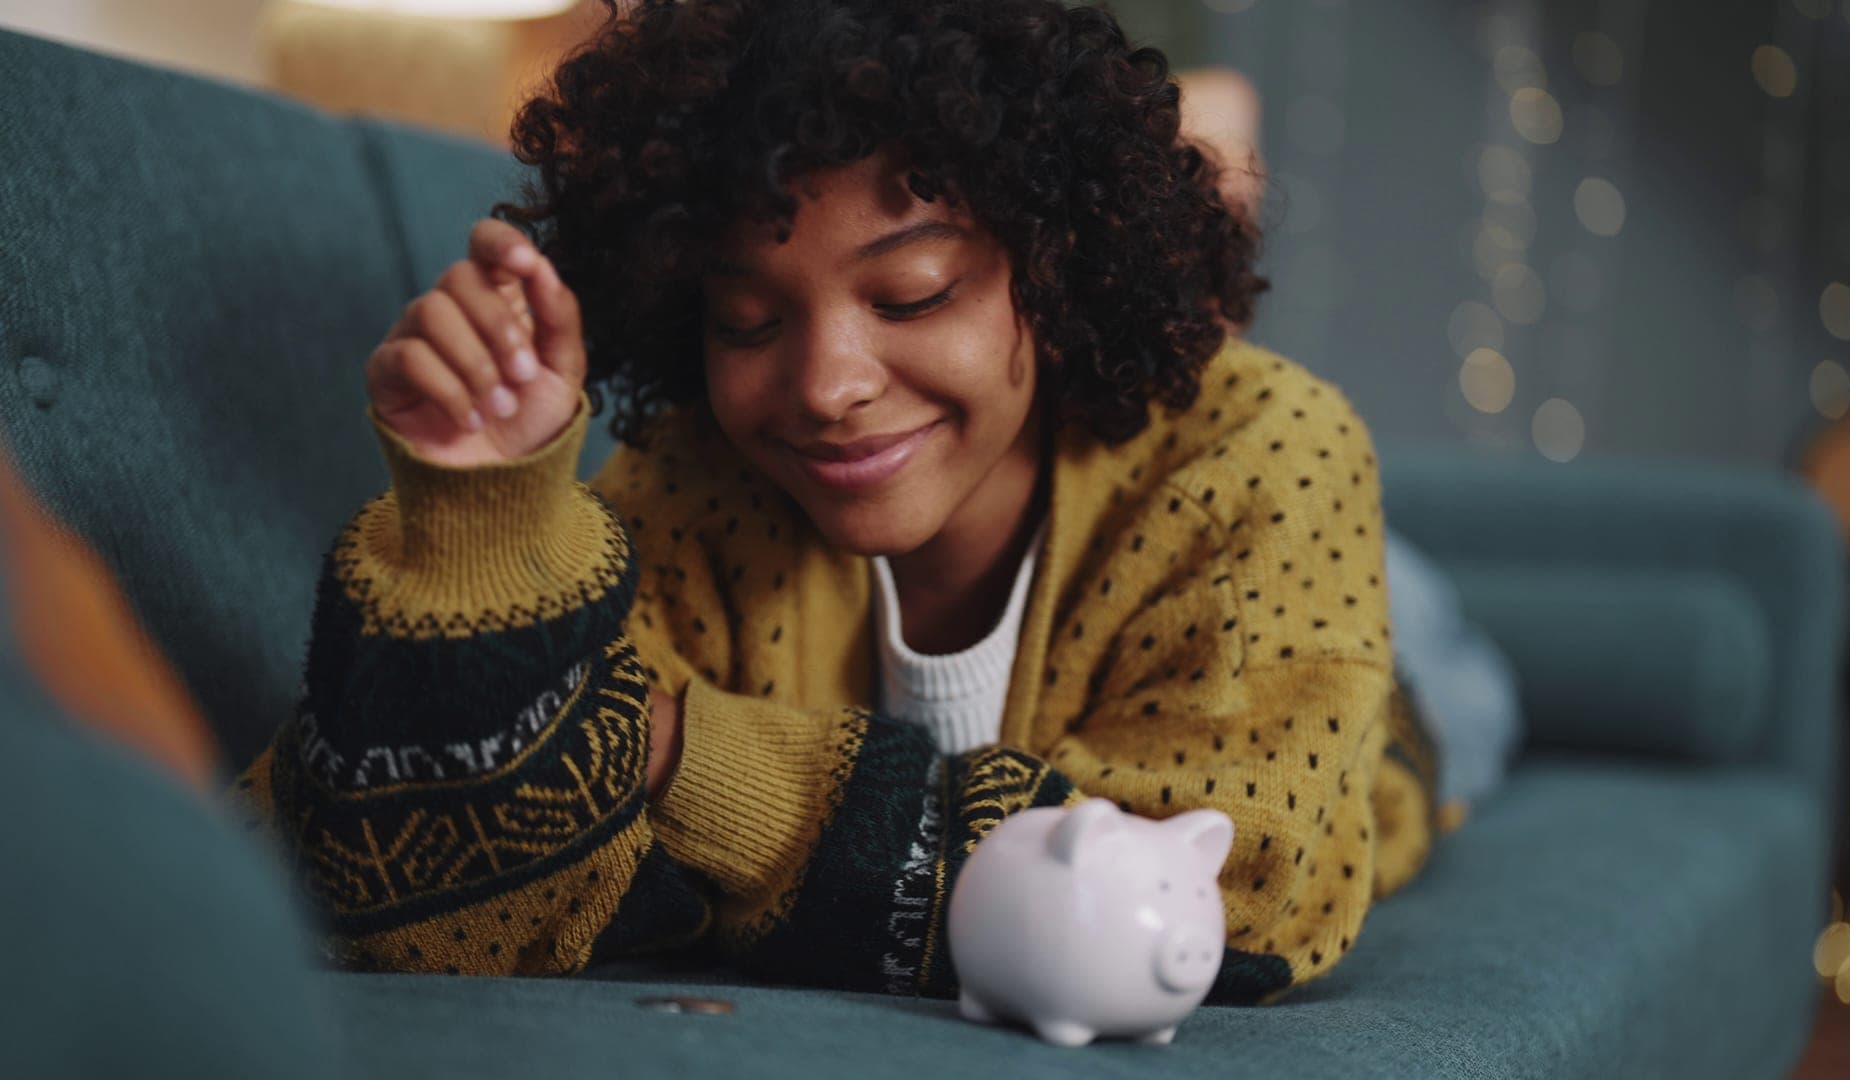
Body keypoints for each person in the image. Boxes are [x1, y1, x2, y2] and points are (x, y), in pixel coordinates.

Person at [231, 0, 1438, 1006]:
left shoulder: (1268, 450)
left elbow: (1239, 891)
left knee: (1447, 659)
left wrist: (677, 751)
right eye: (746, 320)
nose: (825, 388)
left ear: (1055, 266)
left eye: (910, 294)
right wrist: (480, 524)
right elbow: (406, 906)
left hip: (1388, 706)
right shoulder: (700, 487)